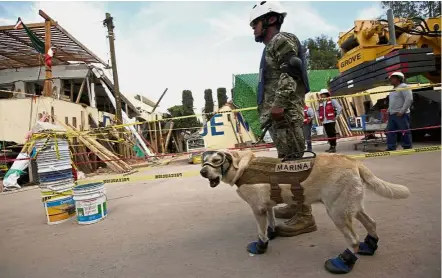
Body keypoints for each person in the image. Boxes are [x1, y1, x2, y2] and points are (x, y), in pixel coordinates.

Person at [250, 1, 316, 237]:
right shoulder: (271, 46)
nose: (253, 28)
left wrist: (278, 105)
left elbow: (291, 71)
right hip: (280, 117)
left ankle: (305, 217)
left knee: (294, 166)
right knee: (288, 164)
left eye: (255, 23)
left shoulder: (280, 39)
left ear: (270, 20)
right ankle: (296, 205)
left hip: (285, 114)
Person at [386, 71, 413, 150]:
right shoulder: (393, 89)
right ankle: (391, 147)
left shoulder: (404, 86)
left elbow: (409, 99)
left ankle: (407, 146)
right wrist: (389, 110)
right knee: (391, 132)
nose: (390, 80)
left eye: (392, 78)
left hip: (401, 114)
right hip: (392, 114)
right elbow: (393, 102)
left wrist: (402, 111)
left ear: (398, 79)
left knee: (404, 131)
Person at [317, 89, 342, 153]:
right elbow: (317, 110)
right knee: (328, 134)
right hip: (324, 121)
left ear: (326, 94)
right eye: (321, 95)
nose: (321, 96)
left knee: (332, 134)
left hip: (330, 120)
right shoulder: (320, 102)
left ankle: (333, 146)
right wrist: (319, 117)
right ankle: (331, 146)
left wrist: (336, 117)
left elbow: (339, 108)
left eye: (322, 94)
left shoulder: (332, 100)